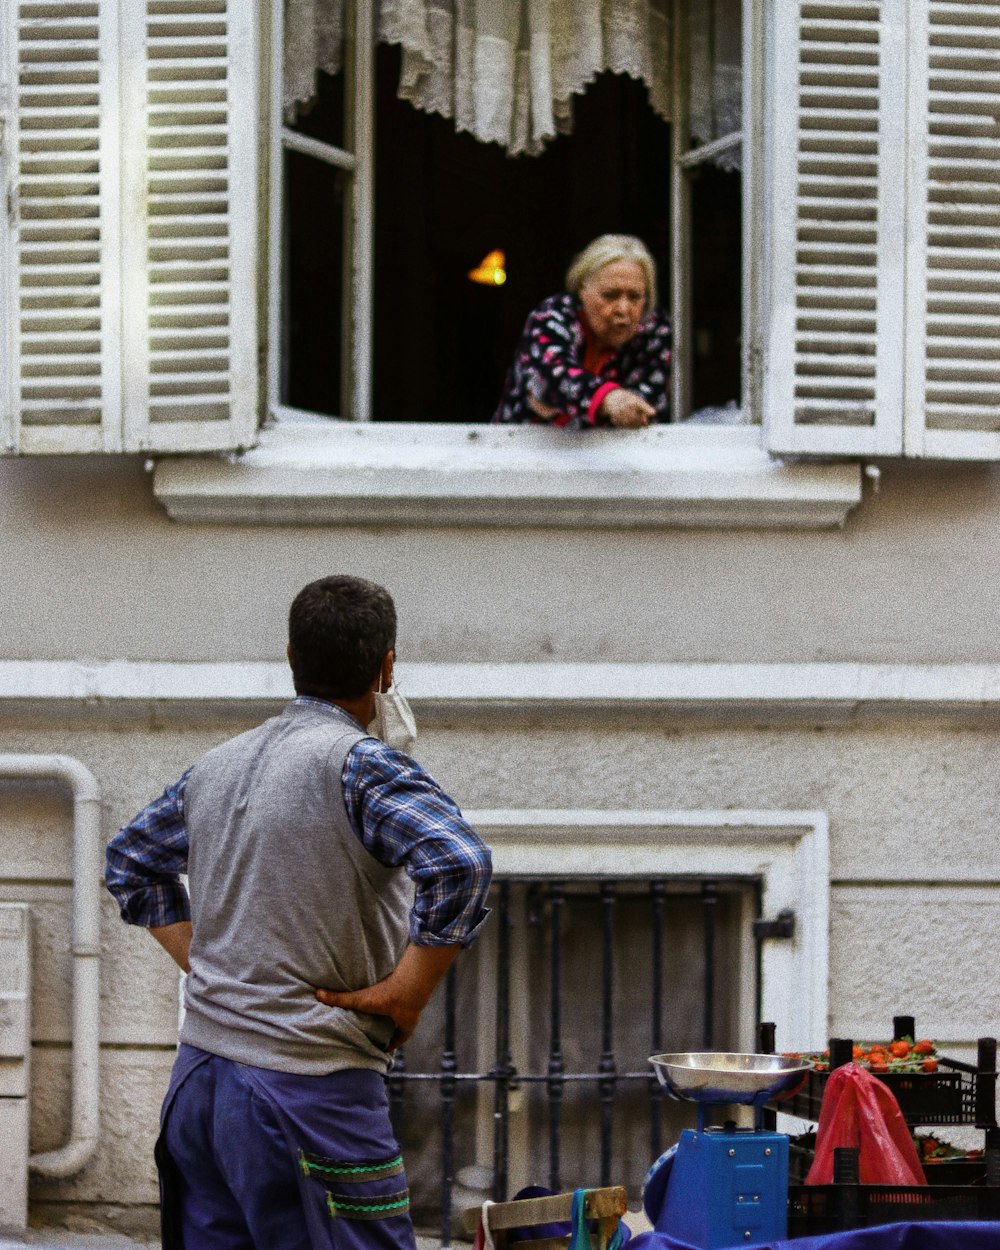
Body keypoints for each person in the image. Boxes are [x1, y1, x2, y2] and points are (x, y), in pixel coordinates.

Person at [105, 575, 493, 1250]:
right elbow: (459, 862)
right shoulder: (364, 767)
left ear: (290, 657)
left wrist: (207, 963)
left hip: (200, 1088)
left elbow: (130, 860)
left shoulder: (215, 768)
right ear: (387, 667)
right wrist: (407, 994)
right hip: (307, 1089)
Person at [493, 234, 671, 430]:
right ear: (582, 289)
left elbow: (645, 409)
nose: (623, 309)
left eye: (635, 297)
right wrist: (608, 400)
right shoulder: (552, 315)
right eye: (610, 295)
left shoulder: (654, 330)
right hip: (517, 452)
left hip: (611, 457)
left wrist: (564, 404)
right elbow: (551, 379)